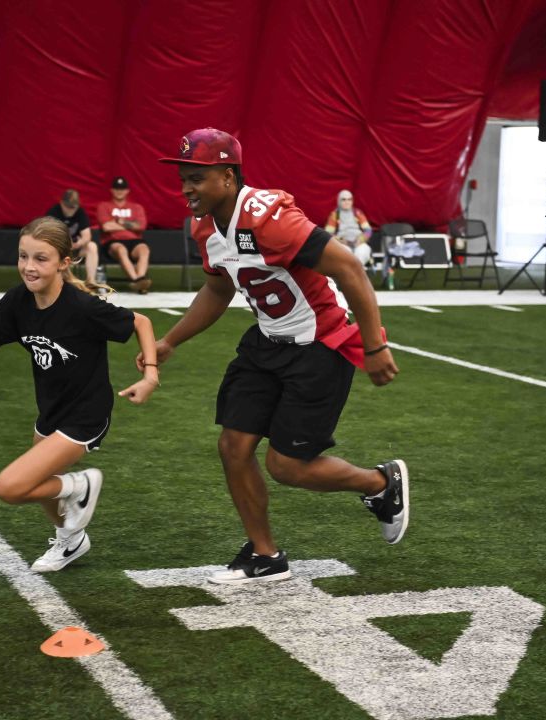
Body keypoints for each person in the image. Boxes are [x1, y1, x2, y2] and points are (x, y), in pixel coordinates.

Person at [151, 127, 408, 585]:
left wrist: (375, 345)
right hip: (268, 340)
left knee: (286, 467)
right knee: (233, 446)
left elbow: (349, 267)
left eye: (197, 178)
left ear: (228, 176)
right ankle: (265, 555)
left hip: (319, 344)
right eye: (183, 178)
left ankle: (379, 483)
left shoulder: (267, 216)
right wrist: (171, 341)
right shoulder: (205, 225)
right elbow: (217, 288)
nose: (186, 188)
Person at [0, 216, 160, 572]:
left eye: (40, 258)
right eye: (23, 257)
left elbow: (141, 322)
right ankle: (71, 539)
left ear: (65, 262)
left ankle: (81, 485)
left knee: (10, 487)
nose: (28, 267)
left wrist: (150, 374)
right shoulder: (17, 302)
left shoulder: (82, 306)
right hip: (50, 409)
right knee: (42, 485)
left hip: (87, 413)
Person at [96, 176, 151, 293]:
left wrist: (118, 222)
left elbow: (141, 226)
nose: (119, 191)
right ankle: (137, 281)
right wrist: (131, 225)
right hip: (112, 241)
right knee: (121, 249)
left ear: (127, 191)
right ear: (111, 190)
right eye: (116, 188)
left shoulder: (137, 207)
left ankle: (139, 280)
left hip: (134, 241)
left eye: (122, 189)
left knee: (144, 249)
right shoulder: (104, 206)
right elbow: (106, 227)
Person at [47, 188, 99, 284]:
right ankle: (63, 282)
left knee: (92, 246)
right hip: (60, 248)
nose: (71, 210)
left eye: (73, 207)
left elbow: (87, 236)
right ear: (62, 203)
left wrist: (79, 243)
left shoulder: (80, 212)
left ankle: (91, 282)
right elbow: (49, 235)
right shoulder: (53, 212)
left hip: (76, 248)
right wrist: (65, 243)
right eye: (68, 206)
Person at [323, 189, 373, 267]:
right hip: (343, 244)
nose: (347, 202)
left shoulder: (357, 213)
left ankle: (357, 276)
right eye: (344, 199)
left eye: (349, 199)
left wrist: (361, 240)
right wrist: (340, 240)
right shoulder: (335, 214)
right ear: (339, 201)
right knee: (345, 255)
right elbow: (328, 233)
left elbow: (368, 230)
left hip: (358, 242)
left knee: (362, 252)